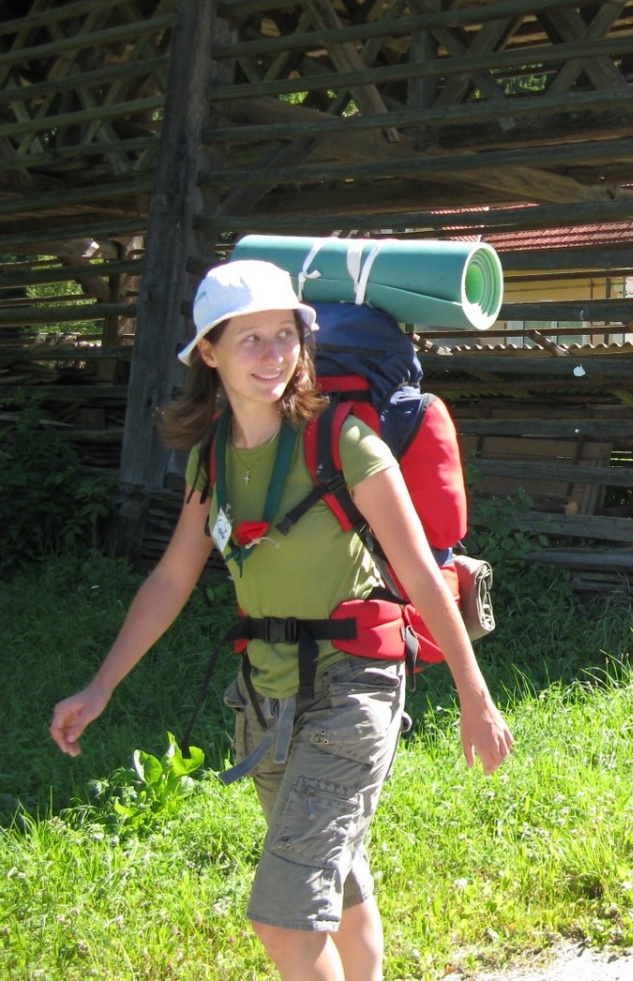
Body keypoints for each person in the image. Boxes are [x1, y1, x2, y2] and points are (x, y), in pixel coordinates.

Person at [50, 259, 513, 981]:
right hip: (264, 693)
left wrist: (473, 697)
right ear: (209, 352)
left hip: (355, 685)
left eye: (284, 335)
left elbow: (422, 574)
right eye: (249, 340)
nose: (272, 355)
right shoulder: (211, 457)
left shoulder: (347, 441)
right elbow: (172, 577)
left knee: (282, 921)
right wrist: (99, 687)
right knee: (341, 879)